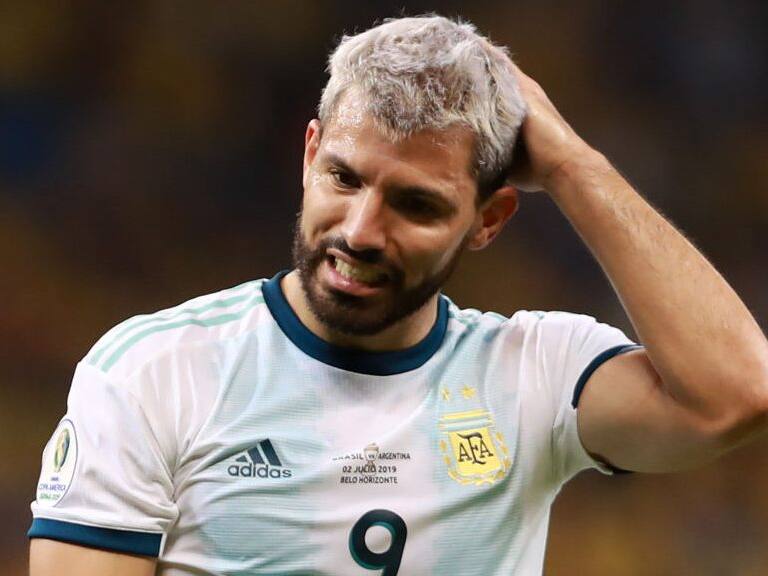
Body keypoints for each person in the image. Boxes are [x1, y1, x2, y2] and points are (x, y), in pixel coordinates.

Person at [28, 15, 768, 576]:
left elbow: (735, 394)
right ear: (310, 152)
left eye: (416, 205)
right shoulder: (154, 372)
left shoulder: (533, 373)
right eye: (344, 178)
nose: (360, 231)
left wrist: (574, 165)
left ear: (489, 219)